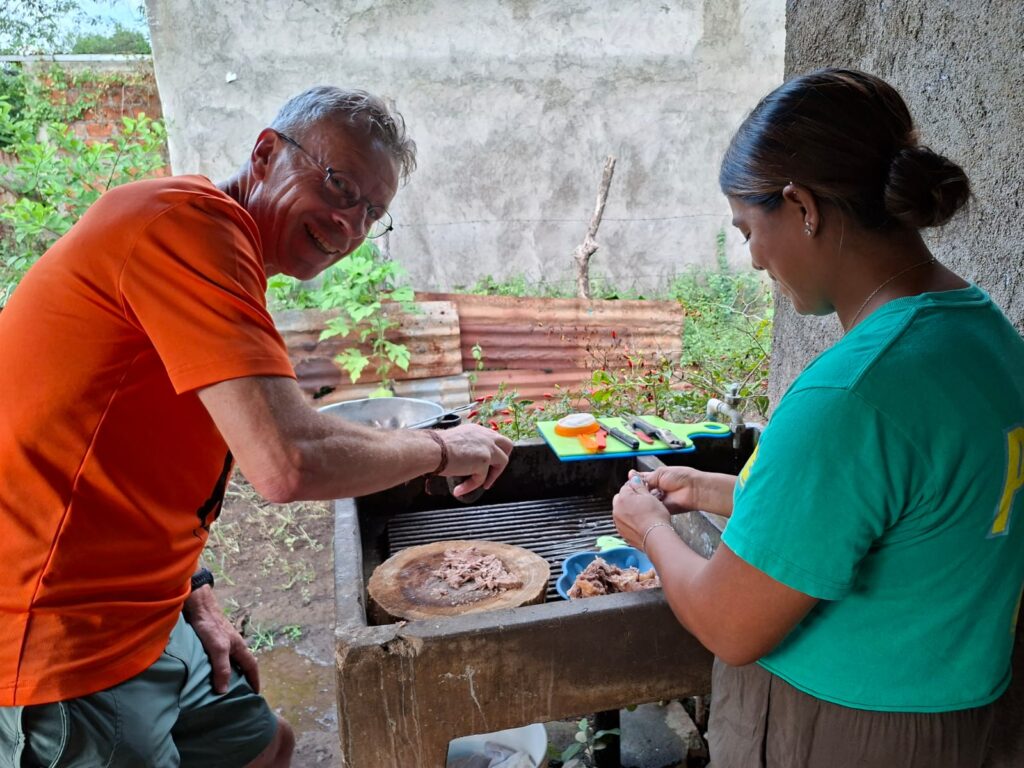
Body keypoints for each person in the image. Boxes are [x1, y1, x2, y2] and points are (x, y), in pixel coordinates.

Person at [0, 86, 513, 767]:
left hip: (151, 608)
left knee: (266, 748)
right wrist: (442, 448)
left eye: (372, 212)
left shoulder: (221, 256)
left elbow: (130, 446)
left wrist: (195, 591)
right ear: (266, 153)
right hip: (59, 631)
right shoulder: (183, 223)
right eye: (338, 184)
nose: (349, 223)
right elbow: (288, 459)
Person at [611, 68, 1024, 767]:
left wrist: (649, 529)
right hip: (972, 712)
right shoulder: (982, 332)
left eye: (749, 230)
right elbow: (892, 522)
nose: (752, 260)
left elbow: (730, 624)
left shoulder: (854, 391)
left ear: (802, 205)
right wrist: (711, 490)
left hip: (854, 730)